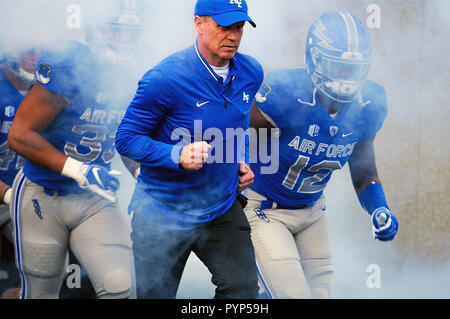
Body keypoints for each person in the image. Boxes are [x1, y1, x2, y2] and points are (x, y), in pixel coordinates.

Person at [115, 0, 264, 299]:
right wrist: (176, 156)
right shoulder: (164, 78)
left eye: (239, 27)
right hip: (163, 212)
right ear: (199, 23)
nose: (233, 36)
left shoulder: (251, 72)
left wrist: (240, 161)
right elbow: (126, 138)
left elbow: (239, 123)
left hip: (220, 207)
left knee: (243, 292)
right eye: (224, 27)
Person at [245, 11, 399, 299]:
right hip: (266, 209)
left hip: (313, 212)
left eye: (353, 69)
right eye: (338, 67)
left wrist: (379, 208)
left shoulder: (369, 104)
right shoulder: (286, 93)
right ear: (315, 59)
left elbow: (365, 172)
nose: (346, 78)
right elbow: (233, 130)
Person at [7, 0, 145, 299]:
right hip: (43, 194)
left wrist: (141, 173)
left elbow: (125, 133)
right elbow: (19, 134)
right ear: (99, 31)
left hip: (95, 197)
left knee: (119, 284)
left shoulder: (138, 72)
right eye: (118, 31)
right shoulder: (72, 65)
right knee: (39, 293)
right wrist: (80, 169)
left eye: (133, 33)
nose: (126, 41)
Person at [0, 48, 39, 298]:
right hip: (9, 194)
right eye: (30, 49)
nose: (37, 57)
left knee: (47, 256)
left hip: (26, 194)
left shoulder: (51, 89)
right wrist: (10, 195)